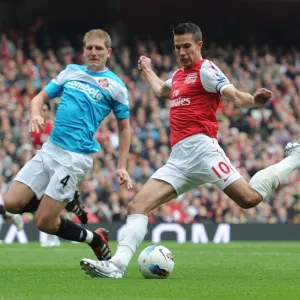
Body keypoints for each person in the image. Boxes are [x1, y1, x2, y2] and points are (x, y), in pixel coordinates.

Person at [79, 22, 300, 278]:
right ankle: (116, 265)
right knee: (137, 206)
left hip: (204, 151)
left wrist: (253, 100)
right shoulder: (179, 75)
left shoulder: (206, 70)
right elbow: (163, 90)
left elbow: (235, 96)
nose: (182, 52)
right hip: (179, 159)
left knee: (249, 198)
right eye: (177, 47)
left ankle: (294, 158)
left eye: (186, 46)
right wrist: (148, 71)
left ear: (199, 45)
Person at [4, 29, 132, 260]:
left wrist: (122, 166)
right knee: (11, 203)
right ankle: (72, 206)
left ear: (108, 52)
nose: (94, 52)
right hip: (50, 149)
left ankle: (94, 240)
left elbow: (124, 128)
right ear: (83, 51)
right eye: (89, 48)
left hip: (75, 158)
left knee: (44, 222)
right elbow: (39, 98)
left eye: (99, 48)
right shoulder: (70, 72)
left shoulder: (116, 86)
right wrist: (35, 115)